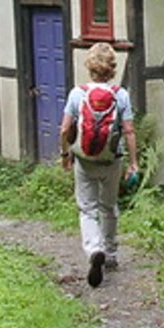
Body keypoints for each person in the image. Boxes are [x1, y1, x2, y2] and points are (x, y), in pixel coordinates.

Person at [59, 42, 139, 287]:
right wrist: (133, 163)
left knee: (87, 208)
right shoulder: (120, 95)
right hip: (111, 160)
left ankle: (94, 249)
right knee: (109, 206)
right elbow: (129, 131)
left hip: (84, 160)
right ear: (112, 68)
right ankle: (111, 254)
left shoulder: (77, 94)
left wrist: (65, 154)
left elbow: (64, 128)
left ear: (90, 66)